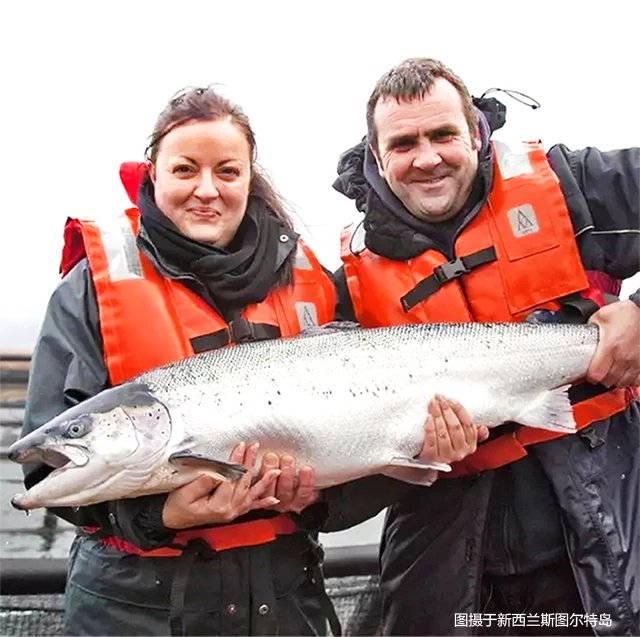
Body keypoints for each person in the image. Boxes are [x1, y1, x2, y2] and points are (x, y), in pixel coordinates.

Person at [20, 85, 485, 637]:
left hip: (283, 601)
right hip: (130, 610)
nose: (206, 191)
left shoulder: (314, 283)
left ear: (249, 176)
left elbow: (368, 458)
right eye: (185, 170)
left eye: (227, 172)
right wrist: (161, 517)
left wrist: (320, 499)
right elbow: (45, 471)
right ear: (153, 172)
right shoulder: (91, 289)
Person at [325, 58, 640, 636]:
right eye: (403, 143)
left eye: (443, 134)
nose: (427, 158)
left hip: (611, 528)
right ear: (375, 153)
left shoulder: (572, 187)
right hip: (452, 565)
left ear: (475, 132)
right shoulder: (346, 282)